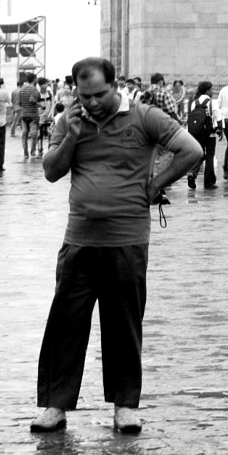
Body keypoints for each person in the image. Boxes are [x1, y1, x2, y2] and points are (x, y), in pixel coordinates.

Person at [34, 56, 202, 435]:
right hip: (79, 240)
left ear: (115, 87)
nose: (91, 102)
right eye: (84, 95)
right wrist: (73, 136)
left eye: (99, 94)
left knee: (123, 324)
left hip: (127, 240)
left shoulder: (145, 117)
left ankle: (125, 406)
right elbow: (51, 171)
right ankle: (54, 405)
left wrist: (156, 184)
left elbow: (191, 150)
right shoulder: (68, 120)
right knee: (66, 323)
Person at [184, 81, 218, 191]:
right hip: (210, 134)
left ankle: (192, 174)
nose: (212, 91)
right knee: (209, 157)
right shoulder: (212, 103)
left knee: (199, 154)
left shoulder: (195, 103)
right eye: (211, 89)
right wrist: (219, 130)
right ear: (207, 90)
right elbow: (216, 117)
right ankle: (208, 182)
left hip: (197, 133)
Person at [15, 72, 43, 161]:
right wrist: (41, 106)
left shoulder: (21, 89)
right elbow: (33, 100)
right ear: (34, 80)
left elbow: (19, 103)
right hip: (33, 115)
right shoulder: (34, 90)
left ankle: (25, 153)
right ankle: (32, 152)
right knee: (34, 134)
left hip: (23, 114)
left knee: (24, 133)